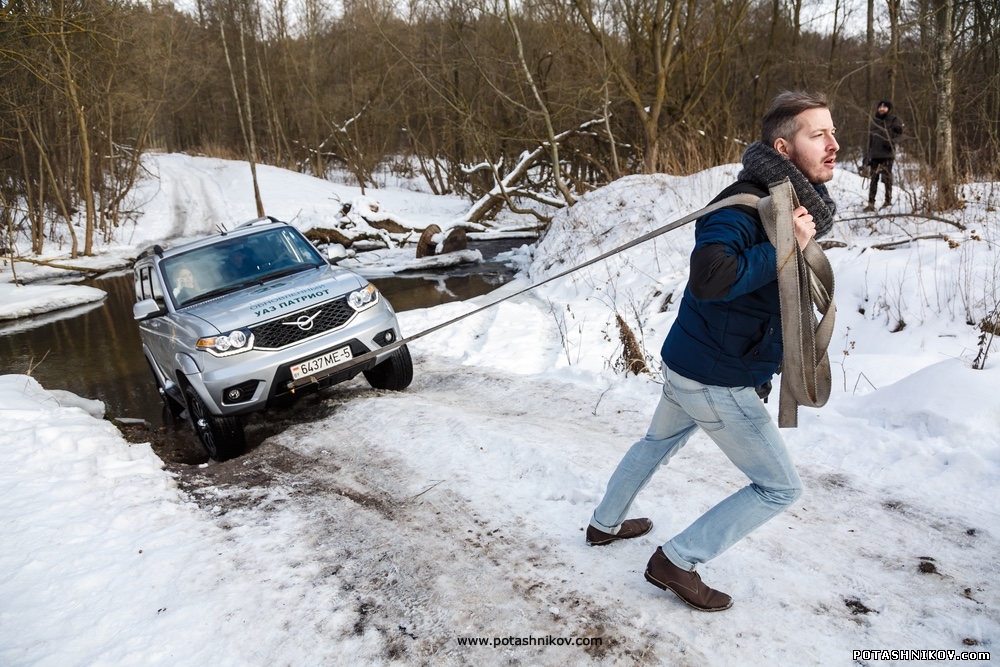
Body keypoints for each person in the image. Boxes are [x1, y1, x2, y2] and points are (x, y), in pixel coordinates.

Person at [586, 91, 839, 612]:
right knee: (778, 488)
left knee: (656, 443)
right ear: (784, 148)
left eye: (833, 132)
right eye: (819, 135)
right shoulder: (746, 206)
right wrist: (784, 244)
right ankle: (677, 560)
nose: (834, 144)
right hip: (716, 379)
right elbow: (710, 276)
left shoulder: (785, 203)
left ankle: (603, 524)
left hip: (690, 363)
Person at [864, 100, 903, 211]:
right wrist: (867, 156)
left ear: (889, 109)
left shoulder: (894, 120)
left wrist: (891, 142)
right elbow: (870, 141)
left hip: (887, 155)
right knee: (873, 180)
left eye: (884, 107)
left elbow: (901, 135)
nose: (881, 108)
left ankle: (887, 201)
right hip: (875, 155)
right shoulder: (874, 121)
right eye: (880, 106)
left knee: (887, 179)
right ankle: (871, 204)